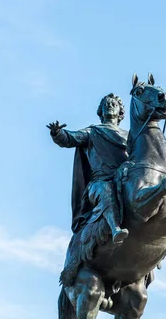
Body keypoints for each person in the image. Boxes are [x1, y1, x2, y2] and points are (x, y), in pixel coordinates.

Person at [47, 93, 129, 244]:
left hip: (124, 180)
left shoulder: (130, 136)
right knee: (106, 191)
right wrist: (57, 133)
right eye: (106, 104)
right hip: (100, 182)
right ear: (101, 112)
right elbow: (70, 138)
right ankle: (115, 228)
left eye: (113, 104)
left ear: (120, 112)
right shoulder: (92, 132)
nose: (110, 106)